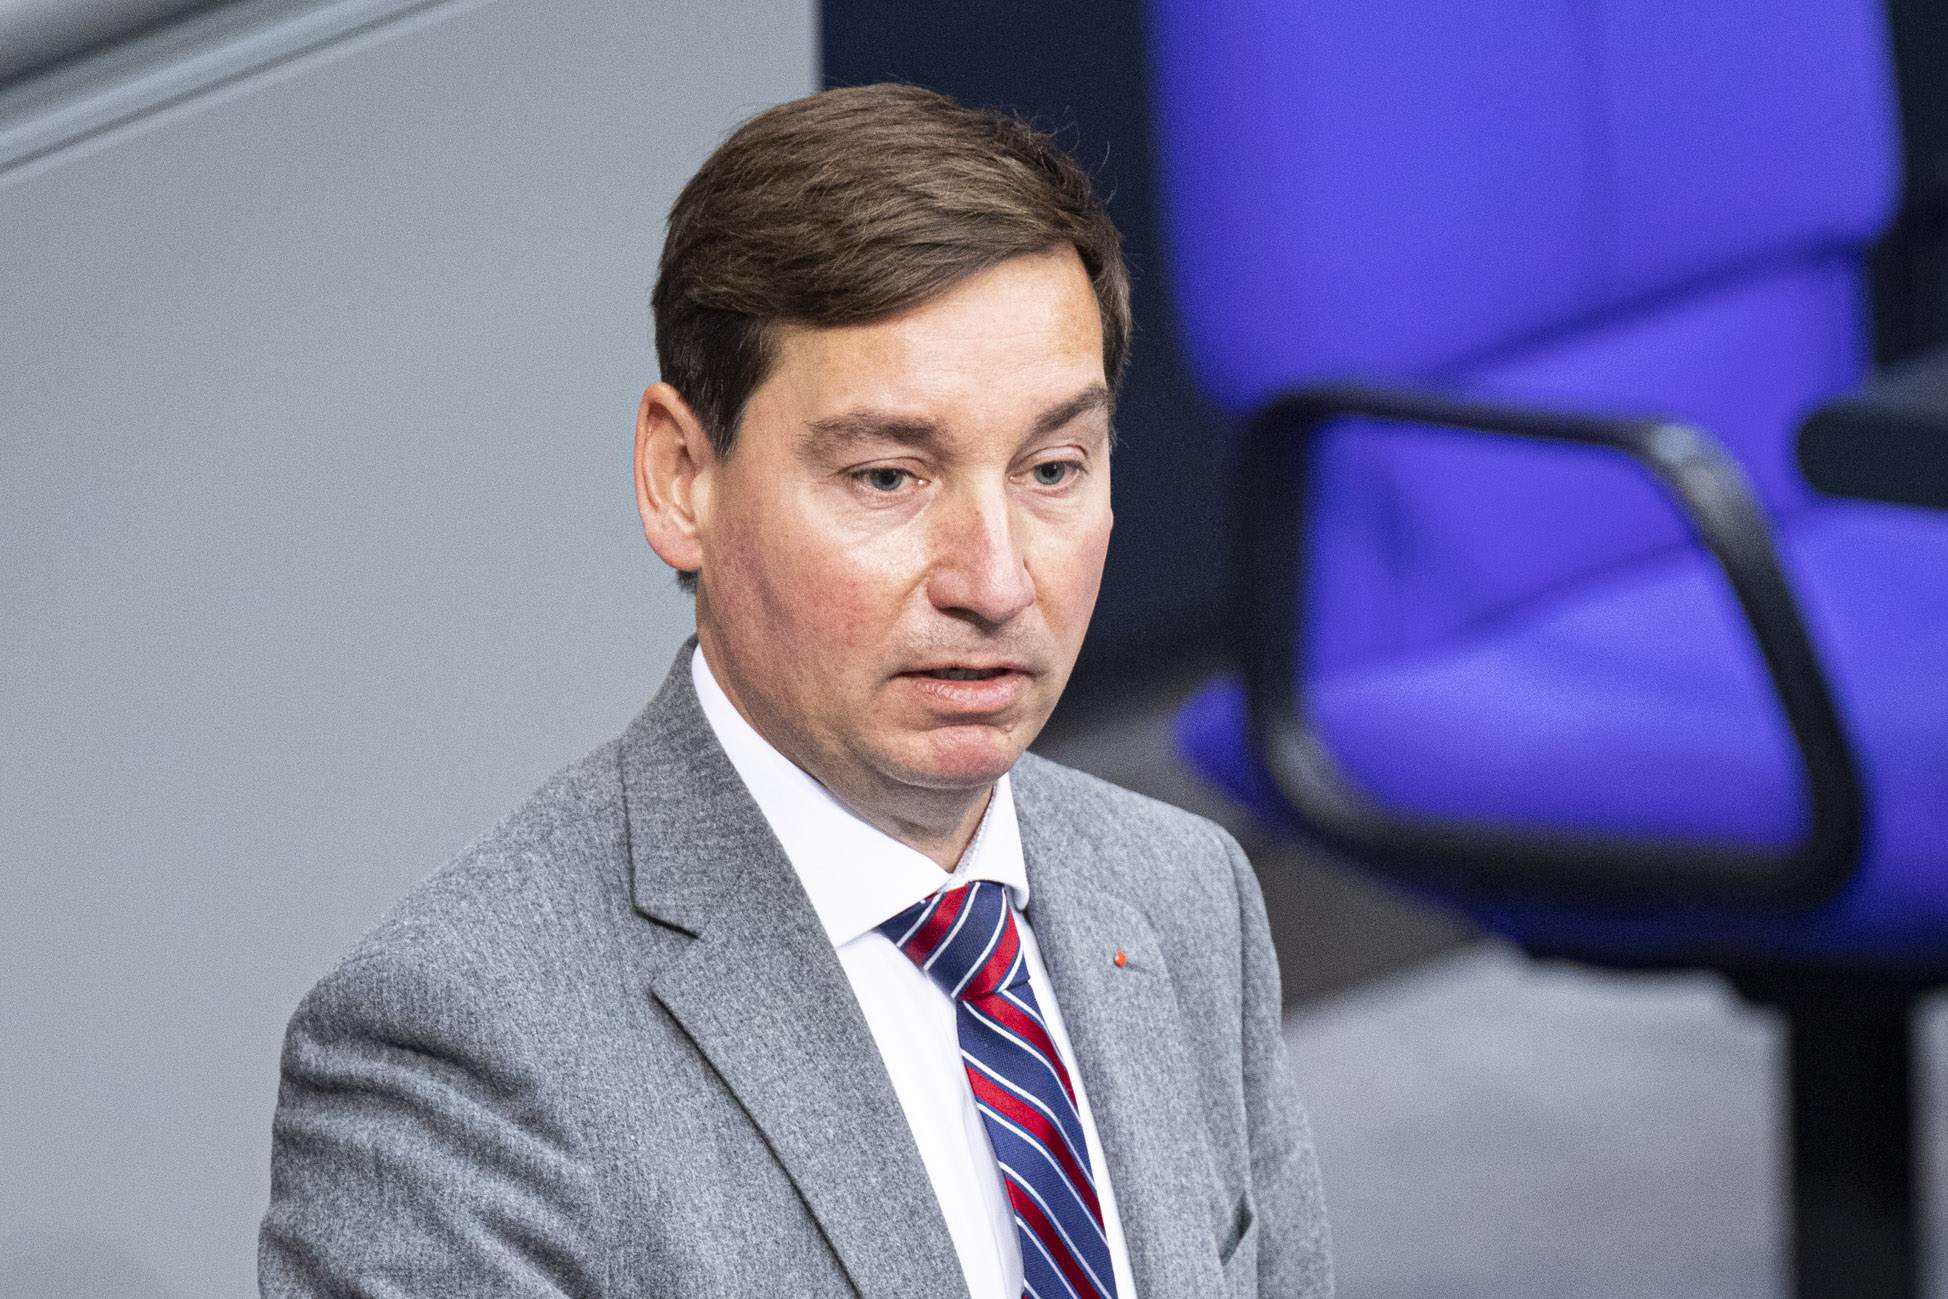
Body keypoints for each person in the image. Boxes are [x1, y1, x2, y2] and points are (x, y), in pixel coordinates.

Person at [258, 83, 1331, 1299]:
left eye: (1050, 468)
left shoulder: (1184, 896)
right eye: (886, 476)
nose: (991, 580)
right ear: (680, 480)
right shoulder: (458, 1052)